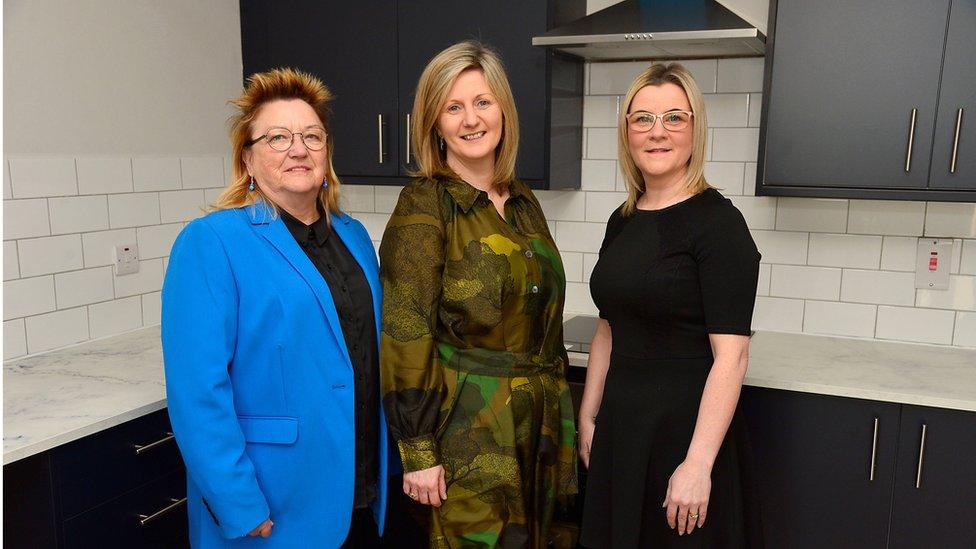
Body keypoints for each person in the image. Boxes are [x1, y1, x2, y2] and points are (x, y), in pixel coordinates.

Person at [161, 68, 388, 548]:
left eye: (311, 136)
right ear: (248, 157)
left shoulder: (355, 238)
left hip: (359, 489)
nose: (298, 149)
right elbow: (198, 391)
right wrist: (238, 503)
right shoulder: (212, 242)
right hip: (271, 503)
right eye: (278, 137)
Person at [378, 41, 577, 548]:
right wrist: (419, 453)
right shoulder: (425, 206)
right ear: (434, 122)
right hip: (470, 433)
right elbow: (406, 333)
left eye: (483, 102)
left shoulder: (524, 201)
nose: (471, 119)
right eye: (453, 106)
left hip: (543, 435)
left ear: (503, 111)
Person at [578, 63, 763, 548]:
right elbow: (608, 329)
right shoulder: (622, 221)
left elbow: (732, 356)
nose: (657, 132)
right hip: (622, 431)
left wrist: (698, 464)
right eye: (642, 119)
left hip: (683, 437)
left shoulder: (719, 224)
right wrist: (588, 416)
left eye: (674, 118)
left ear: (695, 129)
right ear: (627, 133)